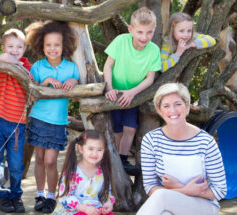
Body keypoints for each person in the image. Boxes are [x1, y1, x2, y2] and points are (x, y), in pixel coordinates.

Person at [138, 83, 226, 215]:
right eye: (166, 106)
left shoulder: (206, 142)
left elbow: (220, 190)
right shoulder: (151, 140)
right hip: (168, 202)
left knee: (161, 196)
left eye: (178, 104)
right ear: (159, 110)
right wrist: (185, 190)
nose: (172, 110)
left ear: (187, 105)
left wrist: (178, 188)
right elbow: (150, 187)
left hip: (204, 205)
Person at [25, 20, 80, 213]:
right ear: (41, 45)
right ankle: (40, 194)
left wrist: (74, 81)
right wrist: (46, 81)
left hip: (58, 122)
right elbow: (31, 95)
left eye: (57, 44)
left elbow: (78, 85)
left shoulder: (72, 68)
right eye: (48, 45)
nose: (52, 48)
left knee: (50, 160)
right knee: (39, 158)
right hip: (39, 118)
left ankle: (51, 196)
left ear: (64, 46)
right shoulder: (37, 68)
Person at [103, 7, 161, 176]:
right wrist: (109, 88)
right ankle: (112, 160)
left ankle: (123, 159)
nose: (144, 37)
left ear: (154, 30)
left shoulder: (154, 51)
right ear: (131, 30)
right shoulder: (121, 41)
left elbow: (150, 79)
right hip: (114, 93)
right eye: (140, 32)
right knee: (117, 130)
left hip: (133, 95)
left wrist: (132, 93)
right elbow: (108, 66)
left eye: (149, 33)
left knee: (130, 129)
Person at [0, 28, 32, 213]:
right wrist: (16, 63)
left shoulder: (28, 67)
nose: (15, 50)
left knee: (15, 165)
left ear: (25, 49)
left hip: (16, 124)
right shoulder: (0, 60)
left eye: (19, 47)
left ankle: (16, 195)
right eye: (10, 46)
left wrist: (21, 66)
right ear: (3, 47)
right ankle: (1, 197)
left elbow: (30, 78)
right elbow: (3, 58)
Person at [54, 130, 115, 215]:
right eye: (90, 149)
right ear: (80, 149)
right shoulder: (72, 171)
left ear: (104, 151)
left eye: (99, 150)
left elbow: (107, 193)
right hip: (73, 211)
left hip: (94, 209)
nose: (95, 153)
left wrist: (109, 204)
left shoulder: (102, 172)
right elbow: (64, 197)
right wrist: (84, 208)